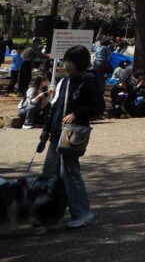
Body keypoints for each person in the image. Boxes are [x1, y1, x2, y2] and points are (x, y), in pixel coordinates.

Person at [36, 44, 104, 229]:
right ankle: (48, 215)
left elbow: (98, 107)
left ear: (79, 64)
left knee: (70, 173)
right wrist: (45, 131)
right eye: (66, 61)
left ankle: (82, 213)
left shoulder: (89, 81)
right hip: (56, 133)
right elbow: (55, 108)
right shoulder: (64, 81)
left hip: (72, 134)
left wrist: (78, 113)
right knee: (49, 174)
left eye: (70, 62)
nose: (66, 65)